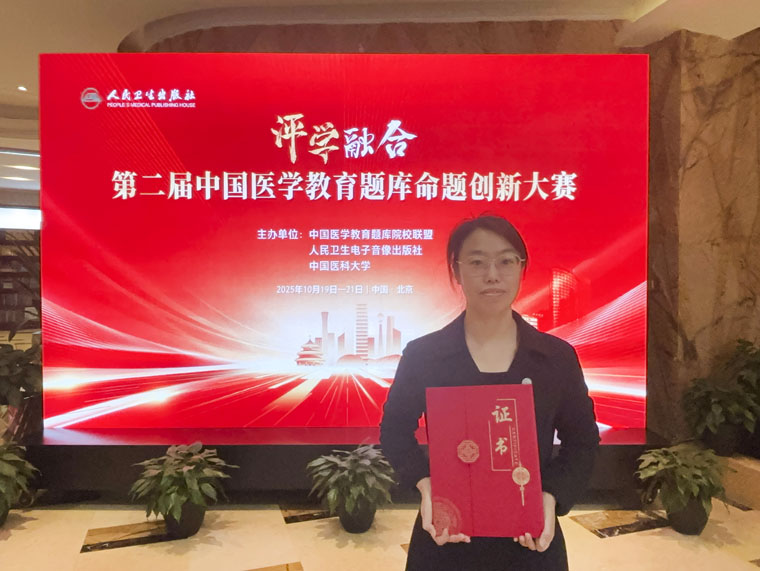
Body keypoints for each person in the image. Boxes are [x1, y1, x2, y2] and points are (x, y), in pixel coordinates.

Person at [380, 214, 600, 570]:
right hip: (446, 539)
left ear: (522, 268)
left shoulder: (556, 357)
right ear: (457, 271)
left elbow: (583, 441)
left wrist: (550, 497)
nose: (492, 275)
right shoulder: (424, 355)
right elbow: (394, 430)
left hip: (530, 542)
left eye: (506, 261)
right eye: (477, 262)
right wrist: (426, 486)